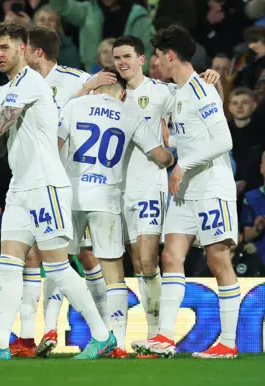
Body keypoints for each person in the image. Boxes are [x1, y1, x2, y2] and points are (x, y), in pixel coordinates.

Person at [0, 22, 115, 360]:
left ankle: (103, 335)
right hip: (20, 188)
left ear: (23, 49)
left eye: (6, 48)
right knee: (9, 265)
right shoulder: (6, 89)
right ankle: (0, 343)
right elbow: (1, 139)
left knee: (57, 268)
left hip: (46, 185)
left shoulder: (29, 82)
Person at [133, 25, 240, 359]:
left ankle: (228, 342)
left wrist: (182, 164)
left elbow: (224, 140)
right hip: (185, 191)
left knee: (217, 259)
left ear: (170, 55)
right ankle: (165, 336)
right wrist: (171, 143)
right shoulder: (179, 94)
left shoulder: (201, 91)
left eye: (157, 57)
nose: (155, 64)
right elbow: (191, 137)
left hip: (210, 186)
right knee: (171, 256)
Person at [58, 68, 174, 357]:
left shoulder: (75, 105)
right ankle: (117, 344)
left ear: (97, 88)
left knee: (58, 267)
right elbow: (161, 157)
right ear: (122, 93)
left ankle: (69, 329)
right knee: (114, 274)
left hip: (70, 194)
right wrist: (168, 147)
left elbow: (53, 145)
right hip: (107, 197)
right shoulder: (129, 114)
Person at [10, 26, 108, 358]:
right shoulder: (21, 82)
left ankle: (106, 330)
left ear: (36, 51)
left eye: (23, 48)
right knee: (43, 254)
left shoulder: (77, 80)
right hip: (35, 179)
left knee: (71, 255)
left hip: (73, 180)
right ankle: (38, 331)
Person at [112, 35, 176, 343]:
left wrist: (212, 80)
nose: (121, 62)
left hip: (151, 184)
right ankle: (154, 332)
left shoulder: (161, 92)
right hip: (119, 189)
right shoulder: (112, 96)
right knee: (136, 261)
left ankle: (159, 333)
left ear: (141, 59)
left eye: (126, 56)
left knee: (149, 259)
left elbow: (195, 101)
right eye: (116, 58)